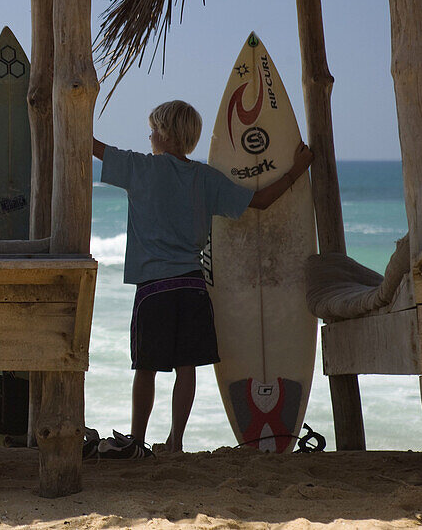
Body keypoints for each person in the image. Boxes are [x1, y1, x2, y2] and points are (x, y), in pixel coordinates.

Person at [93, 100, 314, 457]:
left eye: (153, 130)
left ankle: (136, 442)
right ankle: (176, 443)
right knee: (187, 368)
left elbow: (92, 146)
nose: (150, 137)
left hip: (154, 289)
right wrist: (296, 170)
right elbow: (259, 201)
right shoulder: (205, 177)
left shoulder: (141, 168)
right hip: (193, 287)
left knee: (146, 368)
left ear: (163, 133)